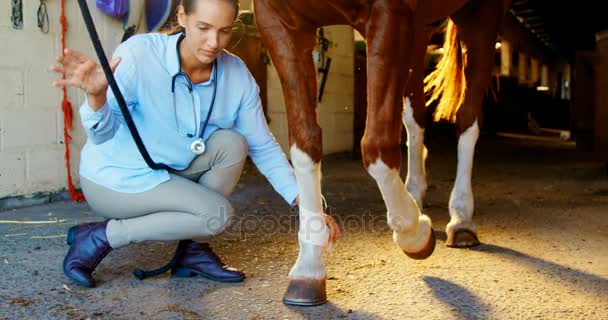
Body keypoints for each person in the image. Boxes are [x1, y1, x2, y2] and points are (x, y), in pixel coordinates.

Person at [51, 0, 339, 288]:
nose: (214, 43)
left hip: (169, 169)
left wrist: (309, 207)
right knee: (217, 215)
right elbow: (102, 135)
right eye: (203, 28)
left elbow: (262, 146)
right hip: (115, 177)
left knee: (233, 144)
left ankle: (192, 251)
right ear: (182, 16)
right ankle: (102, 236)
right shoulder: (139, 54)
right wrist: (97, 98)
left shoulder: (236, 75)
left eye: (224, 31)